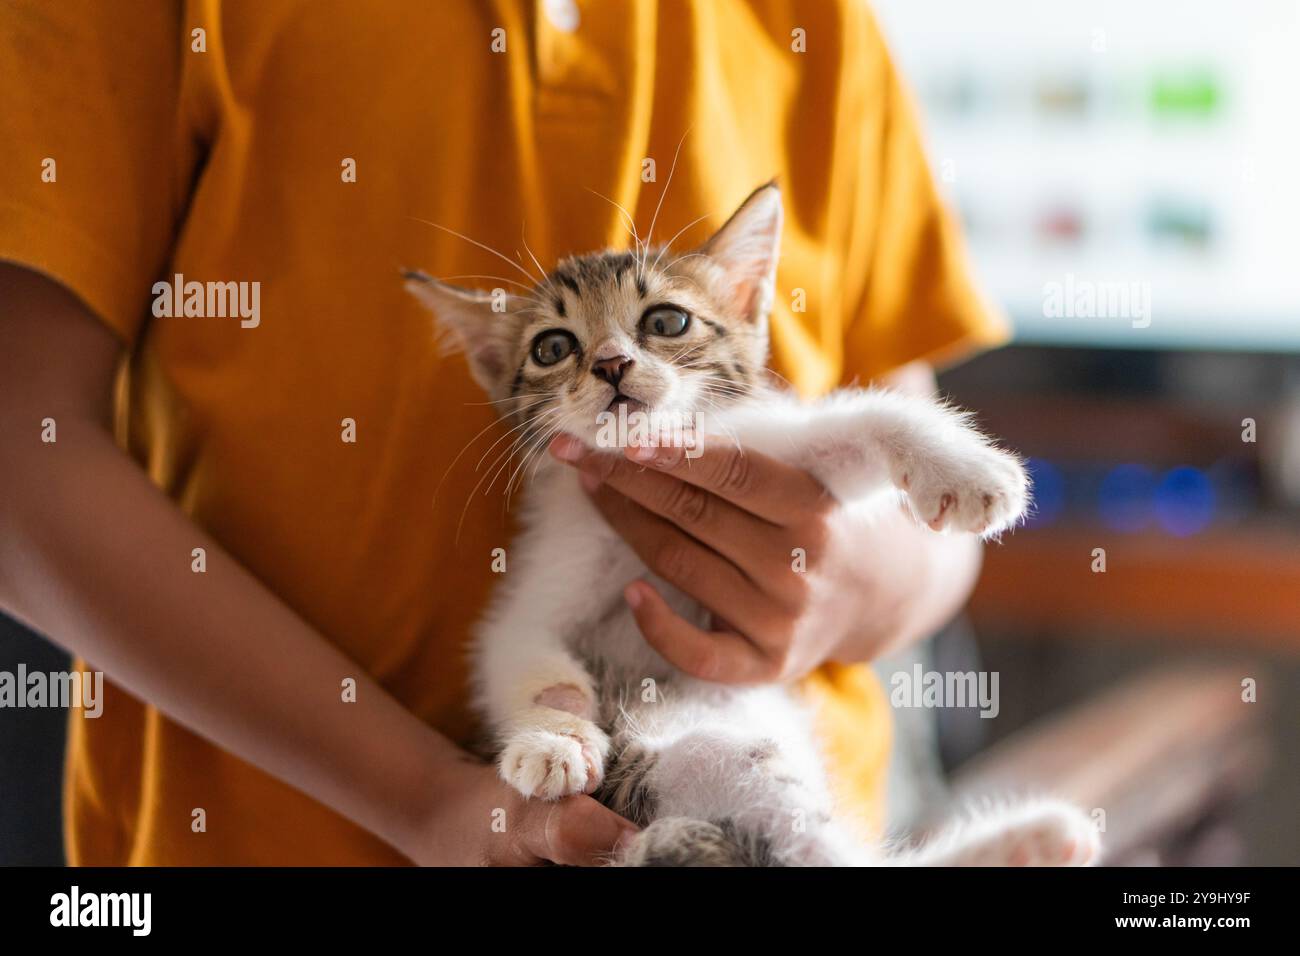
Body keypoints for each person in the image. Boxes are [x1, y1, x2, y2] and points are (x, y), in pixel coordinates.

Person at [0, 0, 1005, 865]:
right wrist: (426, 795)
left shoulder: (815, 22)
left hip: (781, 811)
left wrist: (840, 586)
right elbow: (19, 460)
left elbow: (932, 514)